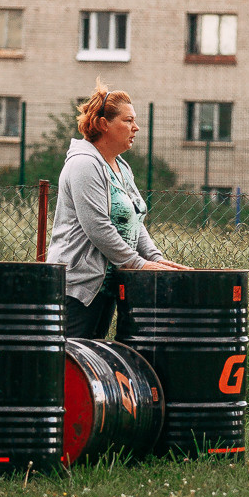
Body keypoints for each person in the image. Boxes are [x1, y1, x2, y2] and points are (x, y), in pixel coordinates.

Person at [48, 81, 189, 339]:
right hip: (78, 287)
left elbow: (135, 219)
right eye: (128, 121)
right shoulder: (83, 165)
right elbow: (98, 227)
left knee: (91, 361)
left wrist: (155, 259)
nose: (136, 128)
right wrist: (137, 264)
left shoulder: (121, 167)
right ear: (103, 124)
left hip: (108, 287)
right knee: (70, 363)